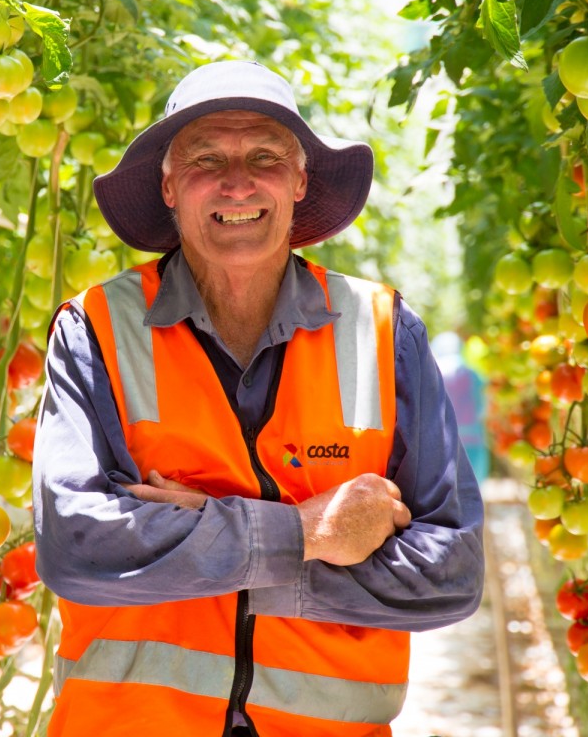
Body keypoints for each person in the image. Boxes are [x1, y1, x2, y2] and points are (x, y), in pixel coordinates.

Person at [32, 60, 484, 737]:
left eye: (265, 155)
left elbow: (451, 573)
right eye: (206, 157)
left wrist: (203, 539)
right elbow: (78, 548)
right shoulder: (94, 328)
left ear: (300, 181)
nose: (236, 180)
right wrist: (309, 533)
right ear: (169, 185)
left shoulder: (386, 331)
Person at [431, 331, 490, 484]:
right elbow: (483, 408)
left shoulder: (433, 371)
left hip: (440, 444)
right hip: (473, 441)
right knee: (471, 494)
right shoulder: (473, 374)